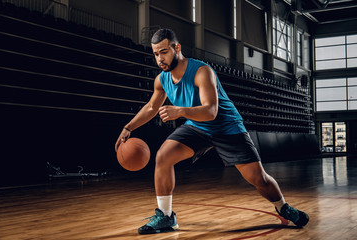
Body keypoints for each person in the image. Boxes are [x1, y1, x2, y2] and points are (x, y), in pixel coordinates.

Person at [115, 28, 309, 235]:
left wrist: (179, 111)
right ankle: (166, 217)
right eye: (156, 54)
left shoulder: (201, 71)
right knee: (163, 156)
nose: (159, 59)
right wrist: (128, 128)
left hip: (227, 127)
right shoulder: (161, 80)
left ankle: (283, 207)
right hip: (196, 127)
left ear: (176, 48)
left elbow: (211, 111)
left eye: (164, 52)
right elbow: (151, 107)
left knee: (258, 179)